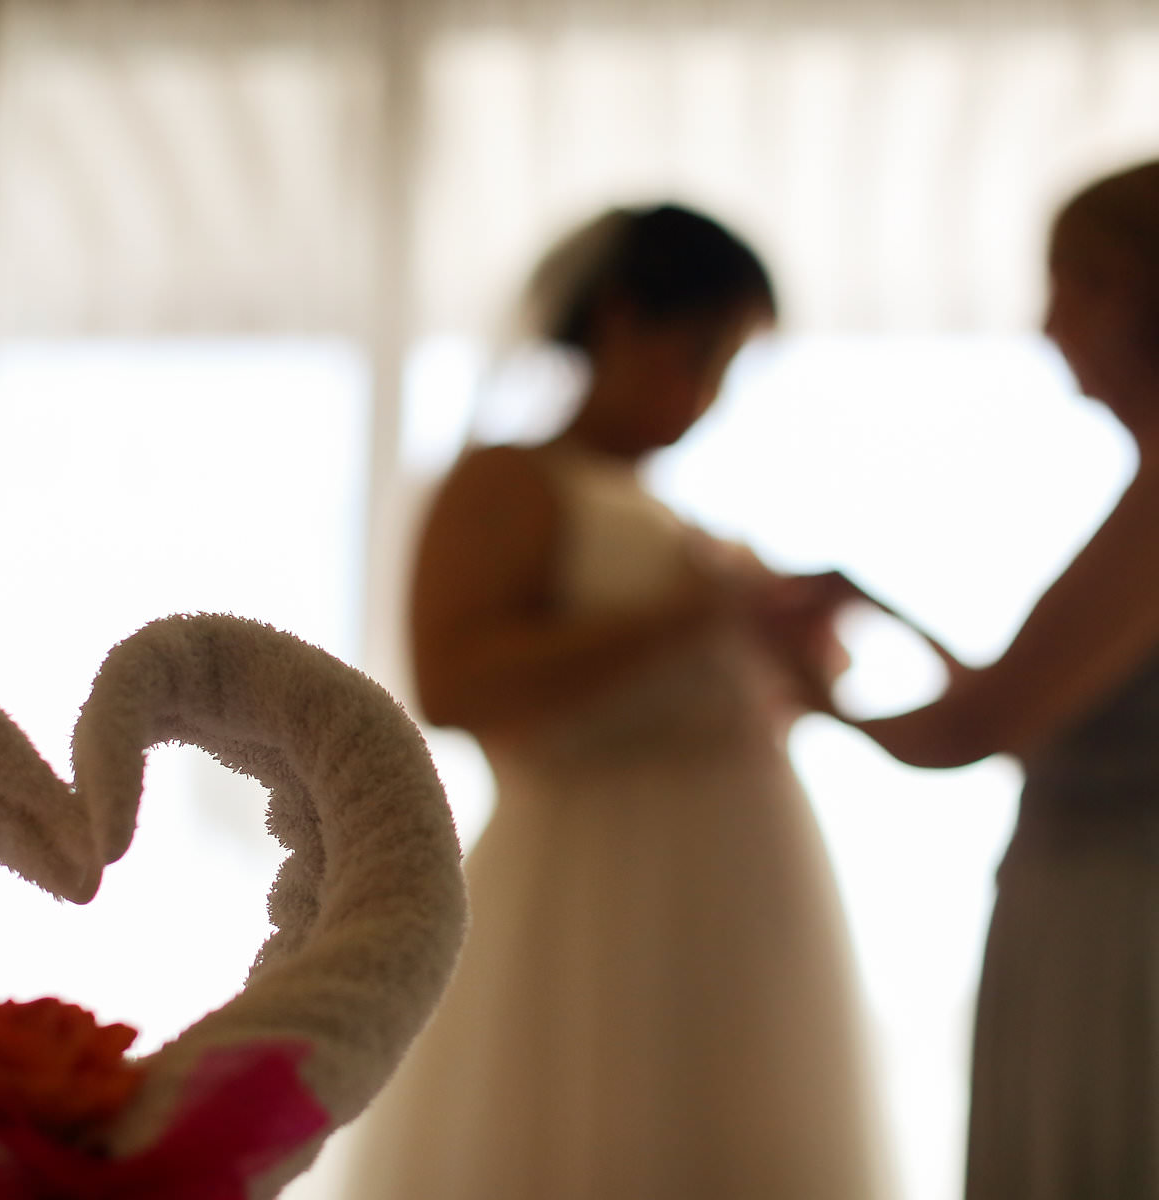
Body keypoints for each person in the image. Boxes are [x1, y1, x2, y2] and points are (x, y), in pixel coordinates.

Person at [811, 158, 1159, 1199]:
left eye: (1067, 281)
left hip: (1132, 947)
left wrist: (804, 680)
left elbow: (980, 724)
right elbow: (1040, 707)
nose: (1049, 320)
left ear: (1127, 288)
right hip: (1155, 928)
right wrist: (875, 613)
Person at [342, 203, 890, 1200]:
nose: (708, 395)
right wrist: (692, 621)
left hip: (739, 906)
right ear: (624, 318)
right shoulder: (509, 480)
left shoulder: (676, 520)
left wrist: (793, 657)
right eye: (702, 353)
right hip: (591, 896)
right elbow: (453, 683)